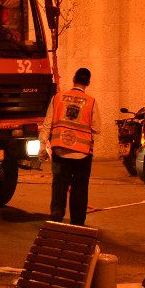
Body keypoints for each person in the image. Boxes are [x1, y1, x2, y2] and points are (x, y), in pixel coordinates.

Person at [38, 68, 101, 226]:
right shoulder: (91, 101)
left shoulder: (58, 98)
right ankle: (77, 223)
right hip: (82, 154)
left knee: (59, 185)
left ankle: (57, 218)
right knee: (79, 188)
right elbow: (97, 128)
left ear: (74, 79)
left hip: (60, 151)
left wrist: (42, 146)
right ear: (88, 82)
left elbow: (47, 123)